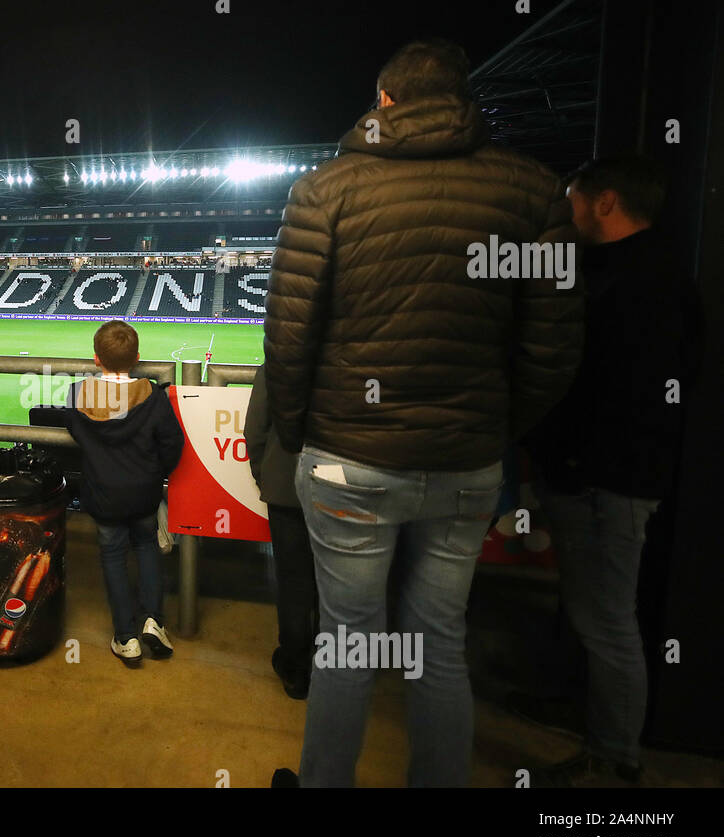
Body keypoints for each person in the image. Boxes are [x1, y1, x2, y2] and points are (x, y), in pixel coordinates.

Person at [262, 39, 584, 786]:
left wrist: (303, 429)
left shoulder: (326, 190)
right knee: (439, 639)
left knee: (348, 638)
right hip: (468, 463)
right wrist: (493, 428)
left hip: (348, 456)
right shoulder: (535, 192)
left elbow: (289, 336)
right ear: (464, 99)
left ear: (384, 103)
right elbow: (557, 347)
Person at [522, 156, 701, 787]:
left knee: (608, 623)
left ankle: (614, 762)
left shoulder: (641, 281)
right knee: (600, 618)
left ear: (605, 202)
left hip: (608, 482)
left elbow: (616, 392)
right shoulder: (649, 271)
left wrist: (570, 460)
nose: (569, 213)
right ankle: (606, 743)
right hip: (605, 477)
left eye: (575, 200)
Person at [61, 320, 184, 666]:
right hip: (143, 491)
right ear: (138, 357)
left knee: (113, 556)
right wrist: (155, 472)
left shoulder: (76, 395)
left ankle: (125, 637)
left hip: (103, 494)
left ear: (96, 359)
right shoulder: (154, 396)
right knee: (146, 548)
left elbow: (75, 429)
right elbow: (173, 443)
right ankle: (153, 621)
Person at [244, 364, 317, 699]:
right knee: (343, 585)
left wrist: (266, 476)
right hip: (348, 491)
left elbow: (255, 430)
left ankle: (296, 670)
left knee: (293, 583)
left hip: (287, 488)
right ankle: (338, 672)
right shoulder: (361, 363)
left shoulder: (276, 367)